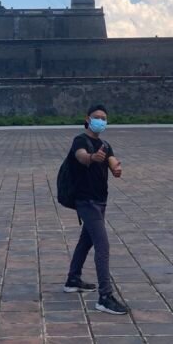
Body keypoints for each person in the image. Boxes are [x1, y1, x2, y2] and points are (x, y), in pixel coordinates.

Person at [63, 104, 130, 315]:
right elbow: (81, 156)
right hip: (86, 201)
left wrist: (116, 168)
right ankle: (105, 297)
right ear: (87, 118)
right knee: (103, 245)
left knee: (86, 240)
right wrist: (92, 158)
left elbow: (112, 161)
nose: (100, 121)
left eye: (104, 118)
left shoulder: (105, 145)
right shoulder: (80, 141)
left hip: (100, 201)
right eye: (97, 117)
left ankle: (73, 280)